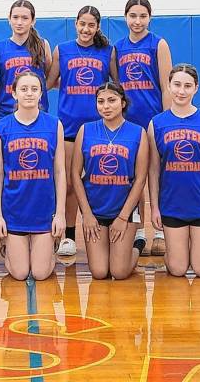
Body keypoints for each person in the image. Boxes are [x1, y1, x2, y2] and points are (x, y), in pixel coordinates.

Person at [47, 5, 116, 257]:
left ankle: (107, 231)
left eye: (91, 25)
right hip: (68, 126)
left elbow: (116, 88)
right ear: (75, 24)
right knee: (68, 184)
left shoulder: (107, 52)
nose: (86, 29)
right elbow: (49, 82)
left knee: (101, 180)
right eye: (82, 24)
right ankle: (68, 236)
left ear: (97, 27)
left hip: (99, 128)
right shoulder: (62, 50)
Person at [148, 64, 200, 277]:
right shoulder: (157, 124)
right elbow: (153, 171)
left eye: (187, 86)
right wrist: (155, 207)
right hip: (172, 204)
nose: (181, 91)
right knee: (177, 269)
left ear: (196, 88)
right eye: (177, 85)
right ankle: (181, 253)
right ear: (169, 85)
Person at [111, 0, 173, 256]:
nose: (137, 21)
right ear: (125, 18)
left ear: (150, 18)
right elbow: (116, 85)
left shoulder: (158, 44)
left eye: (142, 16)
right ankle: (138, 231)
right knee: (134, 178)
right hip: (130, 124)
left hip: (153, 120)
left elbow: (166, 85)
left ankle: (160, 230)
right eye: (132, 16)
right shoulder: (118, 48)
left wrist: (166, 121)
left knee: (156, 176)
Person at [0, 72, 66, 281]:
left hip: (43, 209)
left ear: (42, 93)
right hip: (14, 209)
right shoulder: (1, 127)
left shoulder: (54, 125)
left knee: (41, 274)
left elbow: (60, 171)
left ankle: (49, 244)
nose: (29, 94)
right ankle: (8, 245)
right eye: (23, 89)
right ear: (13, 93)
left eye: (34, 89)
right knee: (20, 273)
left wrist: (60, 213)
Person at [72, 82, 148, 279]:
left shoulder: (138, 132)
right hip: (95, 210)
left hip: (124, 209)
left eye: (112, 101)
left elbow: (140, 179)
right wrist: (86, 215)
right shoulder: (85, 130)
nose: (106, 106)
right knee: (99, 272)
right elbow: (75, 175)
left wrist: (123, 218)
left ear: (123, 103)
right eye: (101, 101)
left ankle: (138, 242)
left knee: (119, 272)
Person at [0, 0, 52, 121]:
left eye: (25, 18)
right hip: (6, 113)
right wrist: (8, 92)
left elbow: (50, 79)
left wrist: (35, 92)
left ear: (33, 21)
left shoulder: (43, 45)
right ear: (9, 19)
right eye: (15, 17)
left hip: (37, 112)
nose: (19, 22)